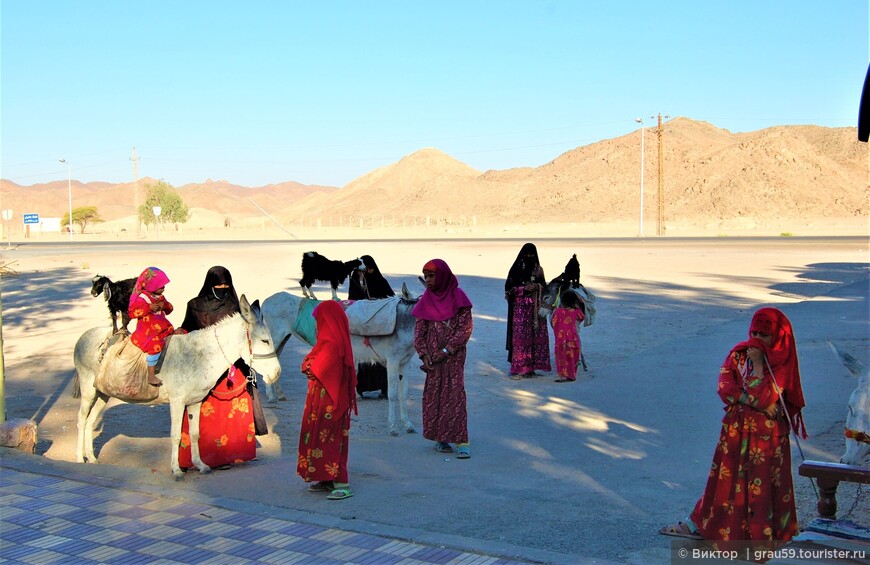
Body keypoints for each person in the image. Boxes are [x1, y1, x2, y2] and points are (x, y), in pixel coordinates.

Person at [660, 307, 807, 541]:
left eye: (764, 335)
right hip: (736, 432)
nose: (757, 340)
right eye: (754, 333)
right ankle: (710, 525)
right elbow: (724, 387)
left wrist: (758, 368)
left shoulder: (781, 364)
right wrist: (753, 402)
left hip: (768, 438)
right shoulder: (738, 355)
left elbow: (767, 397)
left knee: (765, 485)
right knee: (726, 482)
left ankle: (763, 533)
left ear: (777, 337)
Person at [178, 266, 266, 470]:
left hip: (232, 367)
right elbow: (188, 330)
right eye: (218, 285)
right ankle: (196, 457)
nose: (222, 288)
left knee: (230, 415)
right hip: (203, 367)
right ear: (210, 285)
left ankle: (228, 455)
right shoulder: (194, 305)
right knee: (200, 413)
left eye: (226, 285)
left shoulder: (236, 307)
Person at [412, 259, 474, 458]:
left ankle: (462, 441)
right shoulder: (426, 300)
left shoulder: (459, 297)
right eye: (426, 276)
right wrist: (423, 353)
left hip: (453, 358)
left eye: (432, 276)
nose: (428, 280)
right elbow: (419, 330)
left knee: (454, 396)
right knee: (435, 397)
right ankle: (441, 438)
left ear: (443, 275)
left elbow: (464, 329)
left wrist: (446, 351)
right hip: (432, 360)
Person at [298, 300, 358, 500]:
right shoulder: (326, 341)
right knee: (320, 437)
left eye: (318, 320)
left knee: (332, 439)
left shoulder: (332, 344)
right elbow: (311, 362)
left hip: (330, 403)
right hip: (321, 401)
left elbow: (314, 368)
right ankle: (326, 477)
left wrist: (308, 364)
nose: (316, 325)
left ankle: (341, 482)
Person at [348, 254, 394, 398]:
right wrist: (360, 279)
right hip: (362, 326)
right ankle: (360, 389)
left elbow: (391, 299)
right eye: (364, 270)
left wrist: (376, 302)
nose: (367, 272)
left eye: (370, 269)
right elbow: (352, 301)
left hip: (378, 325)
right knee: (363, 358)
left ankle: (384, 389)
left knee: (381, 358)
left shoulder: (380, 280)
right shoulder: (355, 281)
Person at [505, 243, 551, 378]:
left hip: (535, 307)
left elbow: (544, 286)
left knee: (535, 336)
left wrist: (537, 286)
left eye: (532, 255)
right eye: (527, 254)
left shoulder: (538, 270)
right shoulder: (515, 269)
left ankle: (531, 368)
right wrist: (523, 289)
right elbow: (509, 288)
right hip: (520, 308)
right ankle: (519, 369)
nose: (529, 257)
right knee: (521, 336)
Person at [128, 267, 174, 387]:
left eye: (164, 286)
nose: (163, 288)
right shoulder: (142, 298)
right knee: (156, 346)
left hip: (162, 327)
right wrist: (148, 308)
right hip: (147, 330)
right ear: (151, 285)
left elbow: (170, 309)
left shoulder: (159, 297)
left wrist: (164, 305)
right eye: (160, 286)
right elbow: (132, 312)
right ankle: (151, 375)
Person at [550, 291, 585, 382]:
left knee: (561, 357)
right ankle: (572, 374)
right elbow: (582, 317)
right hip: (573, 338)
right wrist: (581, 303)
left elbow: (553, 322)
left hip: (561, 339)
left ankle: (563, 374)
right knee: (573, 356)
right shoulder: (576, 311)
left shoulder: (557, 311)